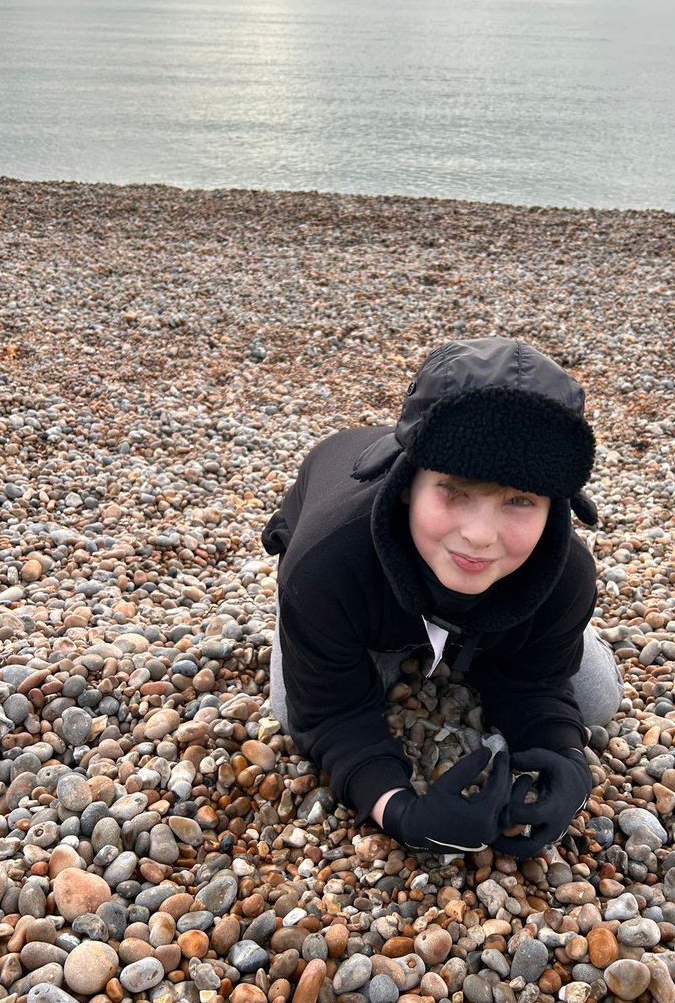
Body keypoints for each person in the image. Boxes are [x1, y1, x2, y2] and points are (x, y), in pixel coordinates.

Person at [261, 337, 622, 857]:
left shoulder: (565, 572)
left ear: (555, 507)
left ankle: (471, 633)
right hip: (359, 588)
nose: (479, 535)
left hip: (502, 598)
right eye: (455, 489)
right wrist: (400, 812)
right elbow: (331, 716)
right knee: (289, 708)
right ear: (408, 481)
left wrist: (565, 761)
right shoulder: (326, 562)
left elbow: (537, 685)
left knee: (593, 697)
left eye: (520, 499)